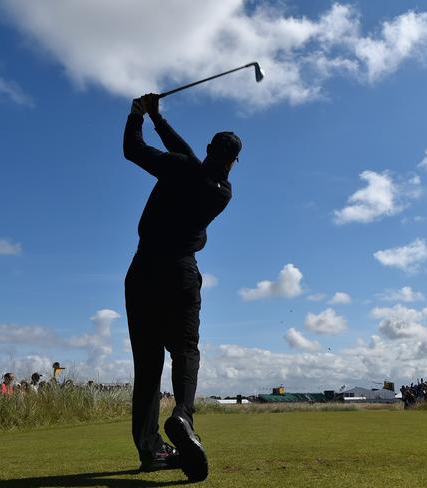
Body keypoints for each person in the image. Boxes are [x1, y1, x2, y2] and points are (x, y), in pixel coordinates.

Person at [123, 93, 241, 481]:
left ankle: (150, 449)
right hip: (180, 274)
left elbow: (133, 150)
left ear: (210, 149)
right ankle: (182, 416)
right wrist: (159, 118)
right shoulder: (222, 192)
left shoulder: (177, 168)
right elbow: (190, 159)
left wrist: (139, 115)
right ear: (233, 162)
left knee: (148, 365)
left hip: (143, 271)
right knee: (185, 351)